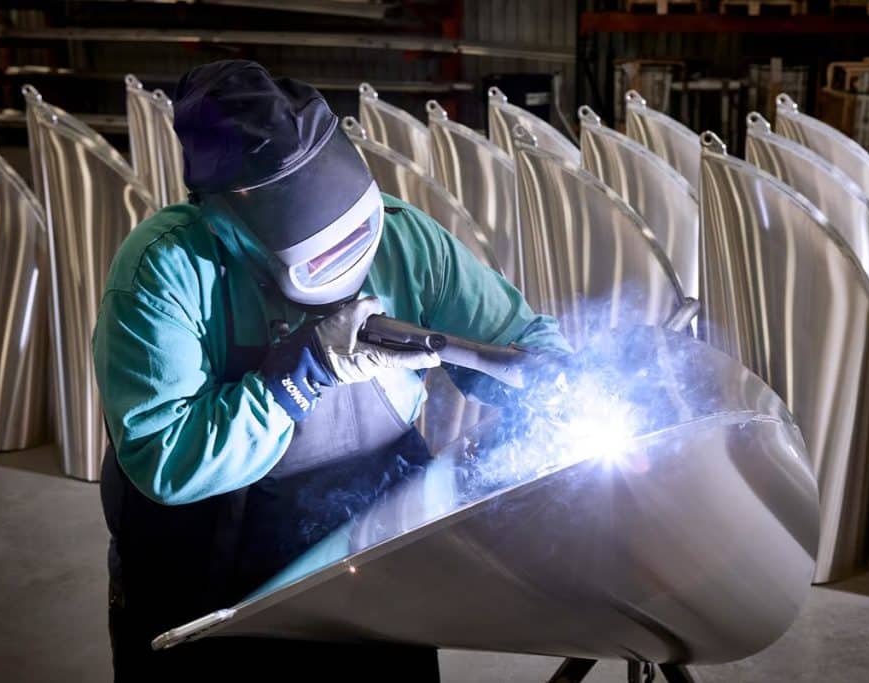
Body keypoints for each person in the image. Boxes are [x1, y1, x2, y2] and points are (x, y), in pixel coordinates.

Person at [93, 59, 567, 681]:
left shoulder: (403, 239)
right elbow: (167, 457)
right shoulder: (165, 270)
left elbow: (515, 335)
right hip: (209, 579)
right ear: (219, 211)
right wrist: (300, 377)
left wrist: (551, 378)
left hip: (370, 566)